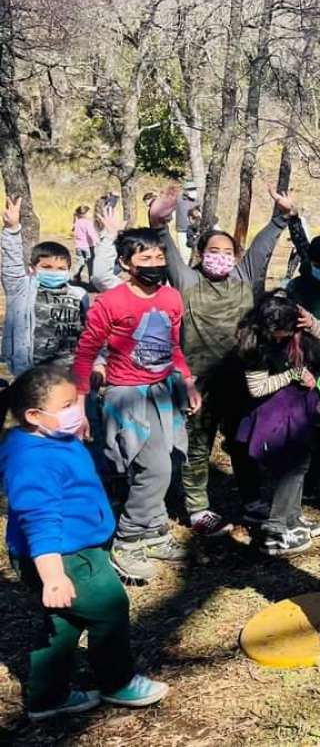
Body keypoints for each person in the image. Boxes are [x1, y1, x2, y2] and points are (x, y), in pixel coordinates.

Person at [0, 366, 169, 721]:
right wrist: (54, 576)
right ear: (34, 415)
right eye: (66, 405)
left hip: (72, 549)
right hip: (64, 555)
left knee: (63, 622)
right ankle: (117, 681)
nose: (76, 409)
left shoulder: (46, 437)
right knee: (110, 608)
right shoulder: (32, 461)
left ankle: (47, 696)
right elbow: (40, 521)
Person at [147, 185, 300, 538]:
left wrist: (280, 217)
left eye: (227, 251)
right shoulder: (187, 281)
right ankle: (198, 507)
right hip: (198, 385)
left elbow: (262, 250)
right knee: (196, 446)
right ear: (200, 255)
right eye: (213, 251)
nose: (220, 256)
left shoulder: (244, 279)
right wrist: (158, 225)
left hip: (241, 380)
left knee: (243, 443)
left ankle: (251, 500)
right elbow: (167, 248)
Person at [71, 227, 200, 585]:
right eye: (146, 259)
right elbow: (85, 354)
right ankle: (128, 540)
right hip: (126, 395)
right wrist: (80, 406)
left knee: (169, 461)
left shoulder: (171, 297)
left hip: (163, 391)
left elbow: (173, 347)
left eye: (160, 257)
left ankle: (155, 533)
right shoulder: (110, 303)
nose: (155, 264)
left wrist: (186, 380)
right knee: (153, 468)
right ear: (126, 263)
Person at [234, 291, 320, 555]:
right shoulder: (255, 344)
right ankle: (276, 529)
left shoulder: (297, 328)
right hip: (274, 413)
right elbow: (257, 388)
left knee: (300, 464)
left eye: (291, 330)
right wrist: (292, 375)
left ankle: (293, 518)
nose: (287, 337)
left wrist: (312, 323)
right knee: (291, 467)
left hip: (299, 408)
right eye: (282, 333)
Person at [2, 197, 91, 376]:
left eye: (61, 268)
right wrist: (12, 230)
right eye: (47, 267)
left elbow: (87, 331)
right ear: (32, 268)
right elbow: (10, 265)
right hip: (31, 372)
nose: (54, 272)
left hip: (70, 372)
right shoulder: (22, 290)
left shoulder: (79, 294)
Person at [72, 205, 98, 283]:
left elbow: (74, 231)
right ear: (85, 214)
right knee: (90, 263)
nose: (91, 214)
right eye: (89, 212)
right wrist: (97, 242)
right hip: (88, 246)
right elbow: (91, 234)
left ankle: (75, 276)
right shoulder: (88, 223)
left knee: (80, 262)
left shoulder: (77, 222)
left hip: (78, 246)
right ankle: (91, 279)